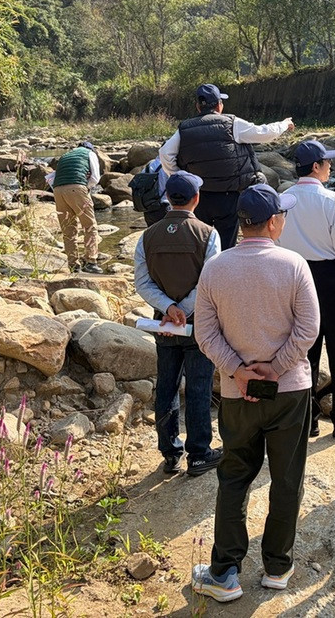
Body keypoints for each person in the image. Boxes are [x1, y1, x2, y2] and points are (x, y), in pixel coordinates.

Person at [192, 184, 320, 602]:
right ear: (274, 222)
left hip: (237, 393)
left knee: (234, 475)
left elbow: (204, 333)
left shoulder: (215, 268)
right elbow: (308, 329)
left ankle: (224, 573)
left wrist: (238, 370)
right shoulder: (294, 265)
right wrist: (276, 367)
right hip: (290, 391)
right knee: (286, 478)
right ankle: (277, 567)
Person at [133, 171, 222, 477]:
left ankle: (170, 453)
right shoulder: (208, 234)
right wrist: (183, 309)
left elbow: (142, 283)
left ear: (167, 198)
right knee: (198, 387)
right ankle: (199, 454)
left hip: (164, 324)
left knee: (167, 387)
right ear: (197, 198)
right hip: (199, 323)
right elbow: (210, 281)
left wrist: (169, 308)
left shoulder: (147, 236)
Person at [278, 140, 335, 439]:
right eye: (327, 162)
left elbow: (276, 243)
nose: (330, 167)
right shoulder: (330, 200)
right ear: (316, 166)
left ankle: (308, 418)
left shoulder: (283, 199)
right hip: (331, 278)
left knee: (303, 349)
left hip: (295, 276)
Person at [158, 83, 293, 250]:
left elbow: (165, 154)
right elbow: (264, 133)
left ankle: (204, 265)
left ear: (198, 106)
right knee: (227, 243)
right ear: (219, 105)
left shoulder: (184, 129)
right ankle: (224, 264)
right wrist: (284, 124)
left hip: (201, 196)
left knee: (201, 240)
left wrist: (181, 176)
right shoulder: (232, 123)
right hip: (229, 196)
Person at [50, 140, 103, 274]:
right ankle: (91, 261)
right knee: (90, 226)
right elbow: (95, 177)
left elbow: (55, 176)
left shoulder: (65, 155)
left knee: (68, 229)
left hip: (57, 190)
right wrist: (87, 188)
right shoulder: (90, 154)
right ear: (91, 149)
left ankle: (73, 265)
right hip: (77, 187)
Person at [130, 157, 170, 226]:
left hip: (148, 208)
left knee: (152, 231)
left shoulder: (150, 164)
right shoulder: (170, 166)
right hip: (163, 207)